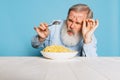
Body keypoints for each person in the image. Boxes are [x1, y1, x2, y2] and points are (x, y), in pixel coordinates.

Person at [31, 3, 99, 57]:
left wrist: (87, 40)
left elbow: (92, 62)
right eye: (70, 20)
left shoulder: (89, 36)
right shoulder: (55, 26)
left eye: (78, 23)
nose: (71, 26)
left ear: (86, 24)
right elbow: (34, 45)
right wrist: (41, 38)